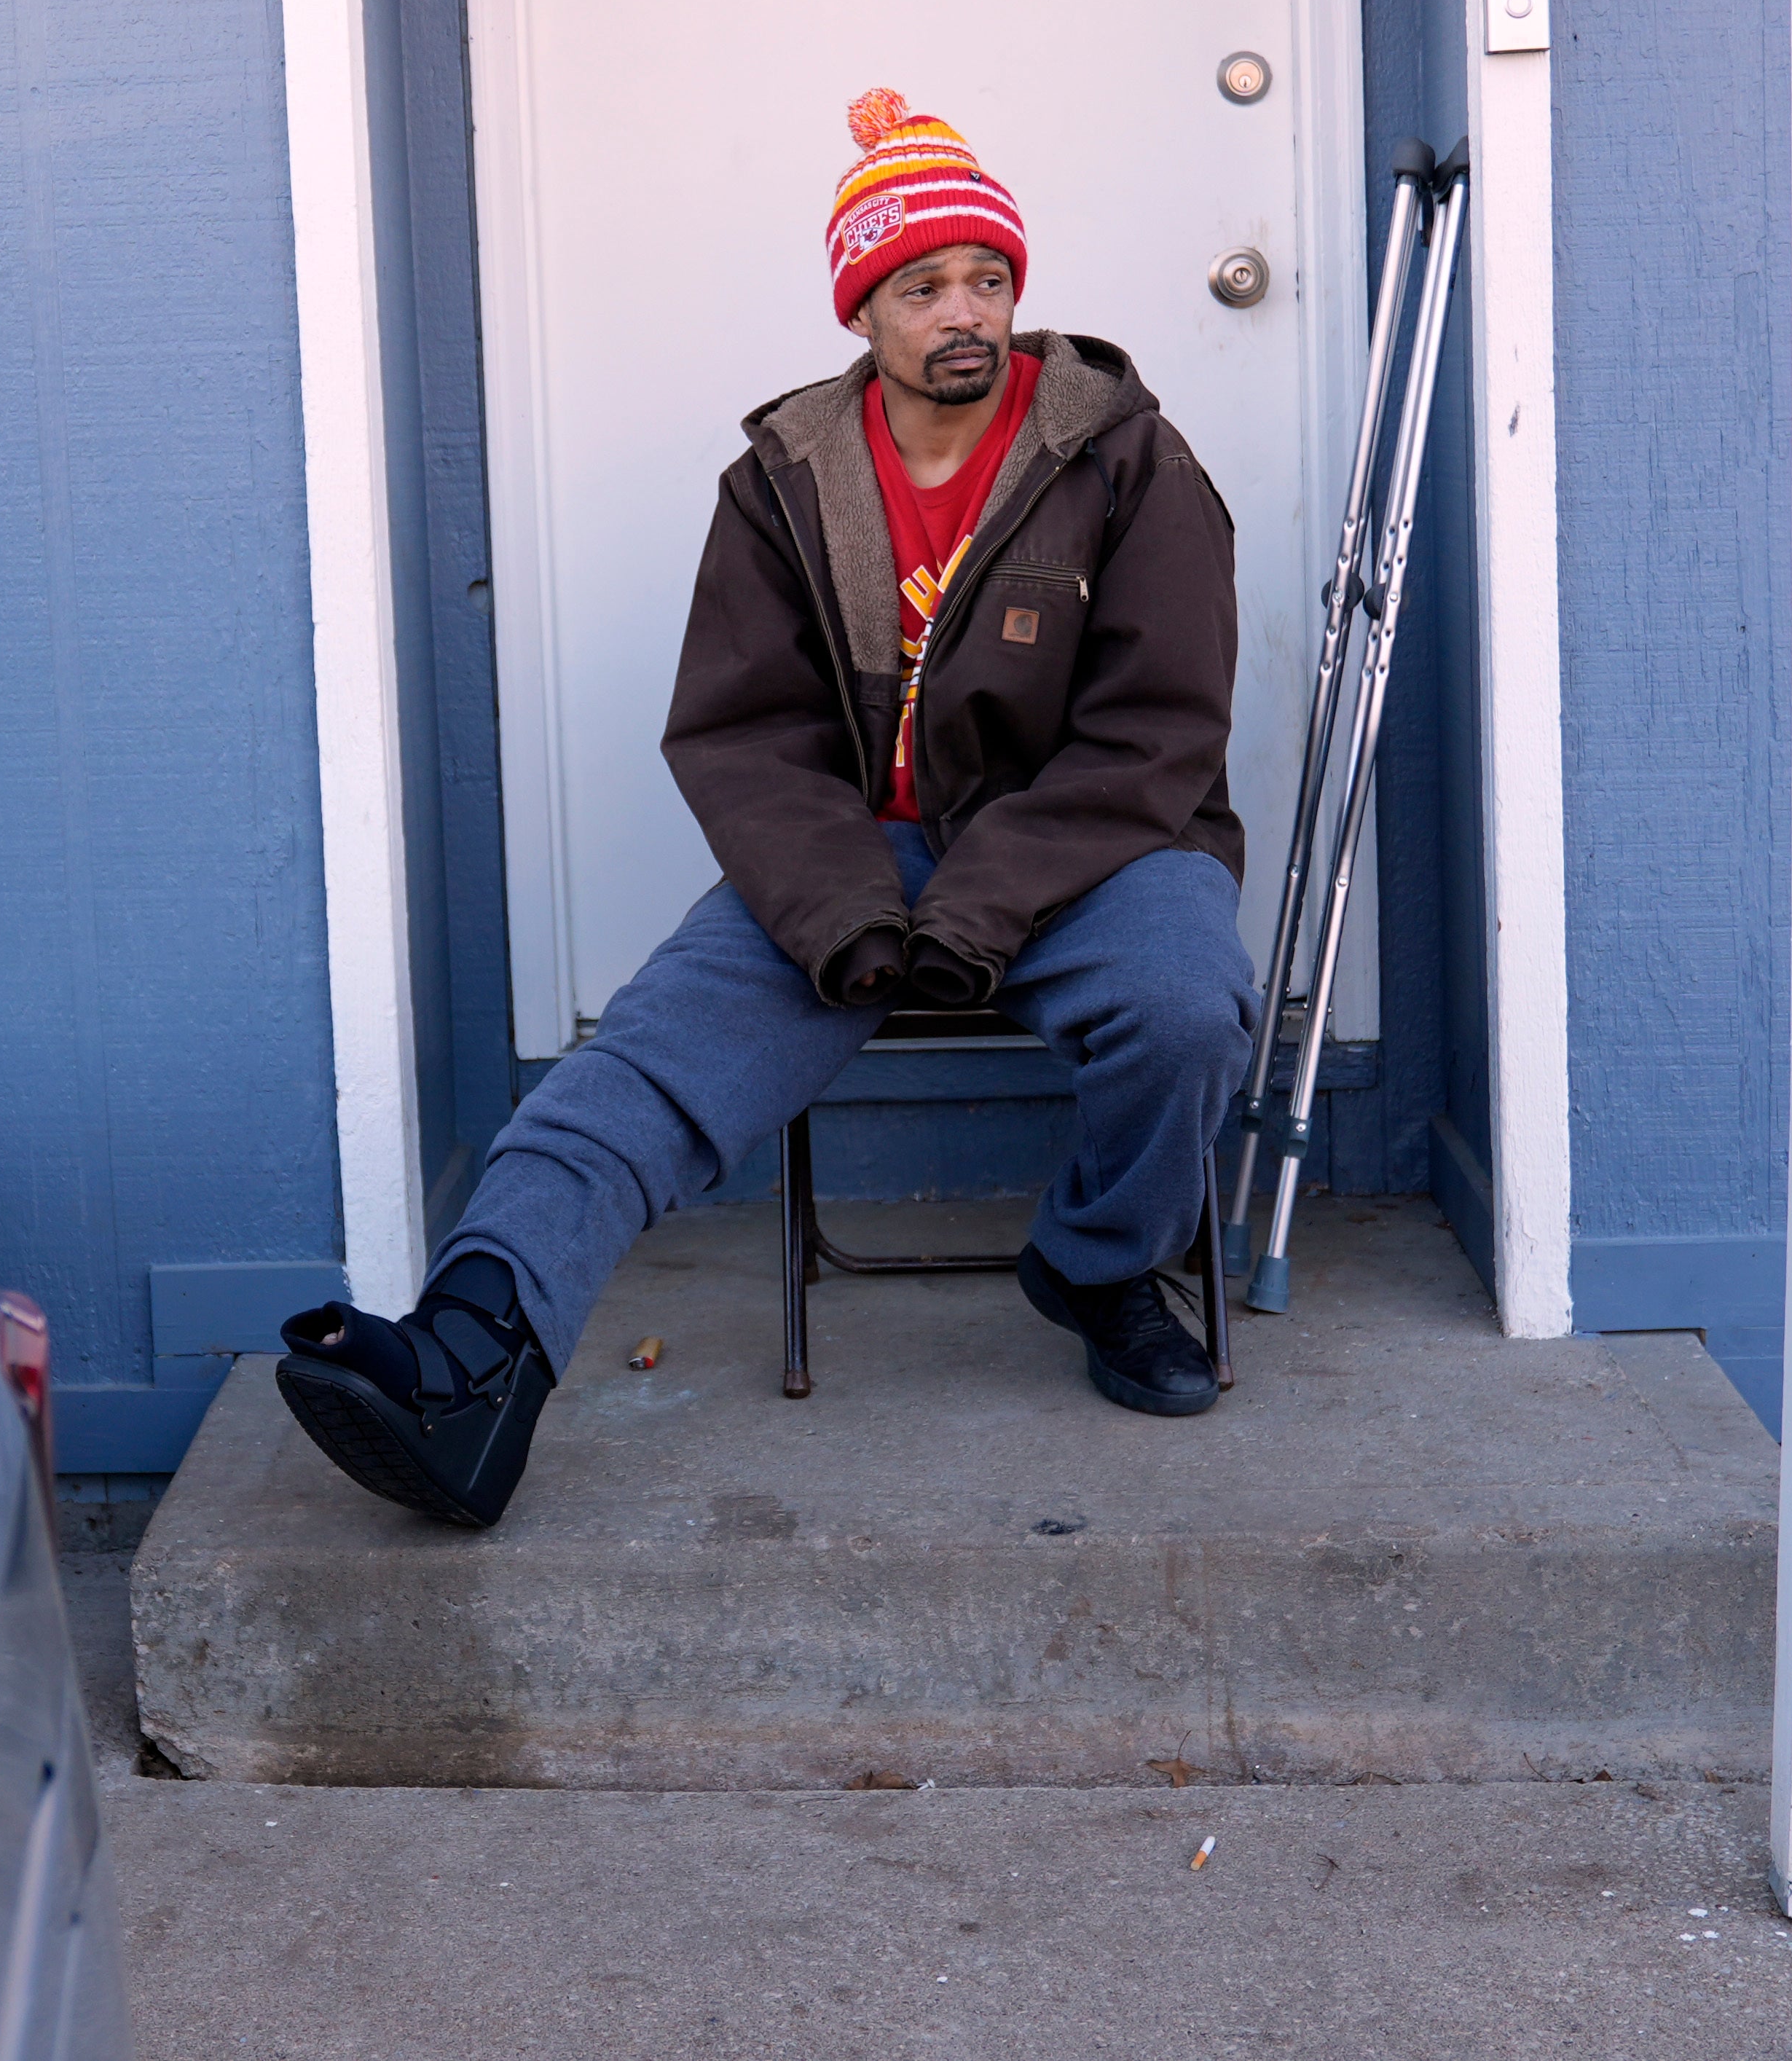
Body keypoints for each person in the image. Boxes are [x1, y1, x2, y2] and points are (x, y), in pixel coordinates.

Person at [278, 93, 1258, 1528]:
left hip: (1098, 844)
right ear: (862, 308)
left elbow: (1153, 732)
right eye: (921, 288)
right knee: (634, 1069)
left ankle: (1105, 1266)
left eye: (984, 277)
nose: (962, 312)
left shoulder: (1121, 456)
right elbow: (745, 738)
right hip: (854, 855)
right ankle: (469, 1361)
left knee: (1184, 1007)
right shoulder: (782, 484)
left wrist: (981, 902)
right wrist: (844, 908)